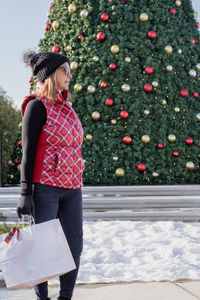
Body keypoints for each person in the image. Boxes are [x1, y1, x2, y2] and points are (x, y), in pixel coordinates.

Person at [16, 51, 85, 300]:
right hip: (45, 187)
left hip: (72, 188)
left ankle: (65, 297)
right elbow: (28, 152)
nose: (69, 74)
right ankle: (42, 298)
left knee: (74, 246)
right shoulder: (36, 106)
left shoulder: (68, 109)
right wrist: (25, 192)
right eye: (65, 69)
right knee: (42, 248)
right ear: (51, 74)